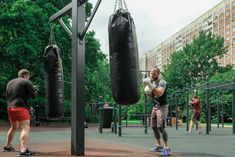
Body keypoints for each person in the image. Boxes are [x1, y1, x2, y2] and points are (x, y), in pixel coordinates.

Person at [3, 69, 38, 156]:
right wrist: (36, 90)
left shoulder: (10, 82)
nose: (29, 78)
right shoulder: (26, 82)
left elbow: (8, 95)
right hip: (21, 107)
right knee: (25, 127)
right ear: (26, 75)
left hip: (10, 107)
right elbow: (34, 96)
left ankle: (7, 146)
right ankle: (23, 150)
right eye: (28, 77)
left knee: (13, 127)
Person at [143, 66, 171, 156]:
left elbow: (159, 93)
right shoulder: (151, 82)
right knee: (154, 127)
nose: (152, 75)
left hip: (162, 107)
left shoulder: (162, 82)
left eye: (154, 73)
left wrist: (150, 86)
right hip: (155, 107)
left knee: (160, 127)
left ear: (158, 74)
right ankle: (159, 145)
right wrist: (148, 93)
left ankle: (167, 148)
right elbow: (152, 96)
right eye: (151, 73)